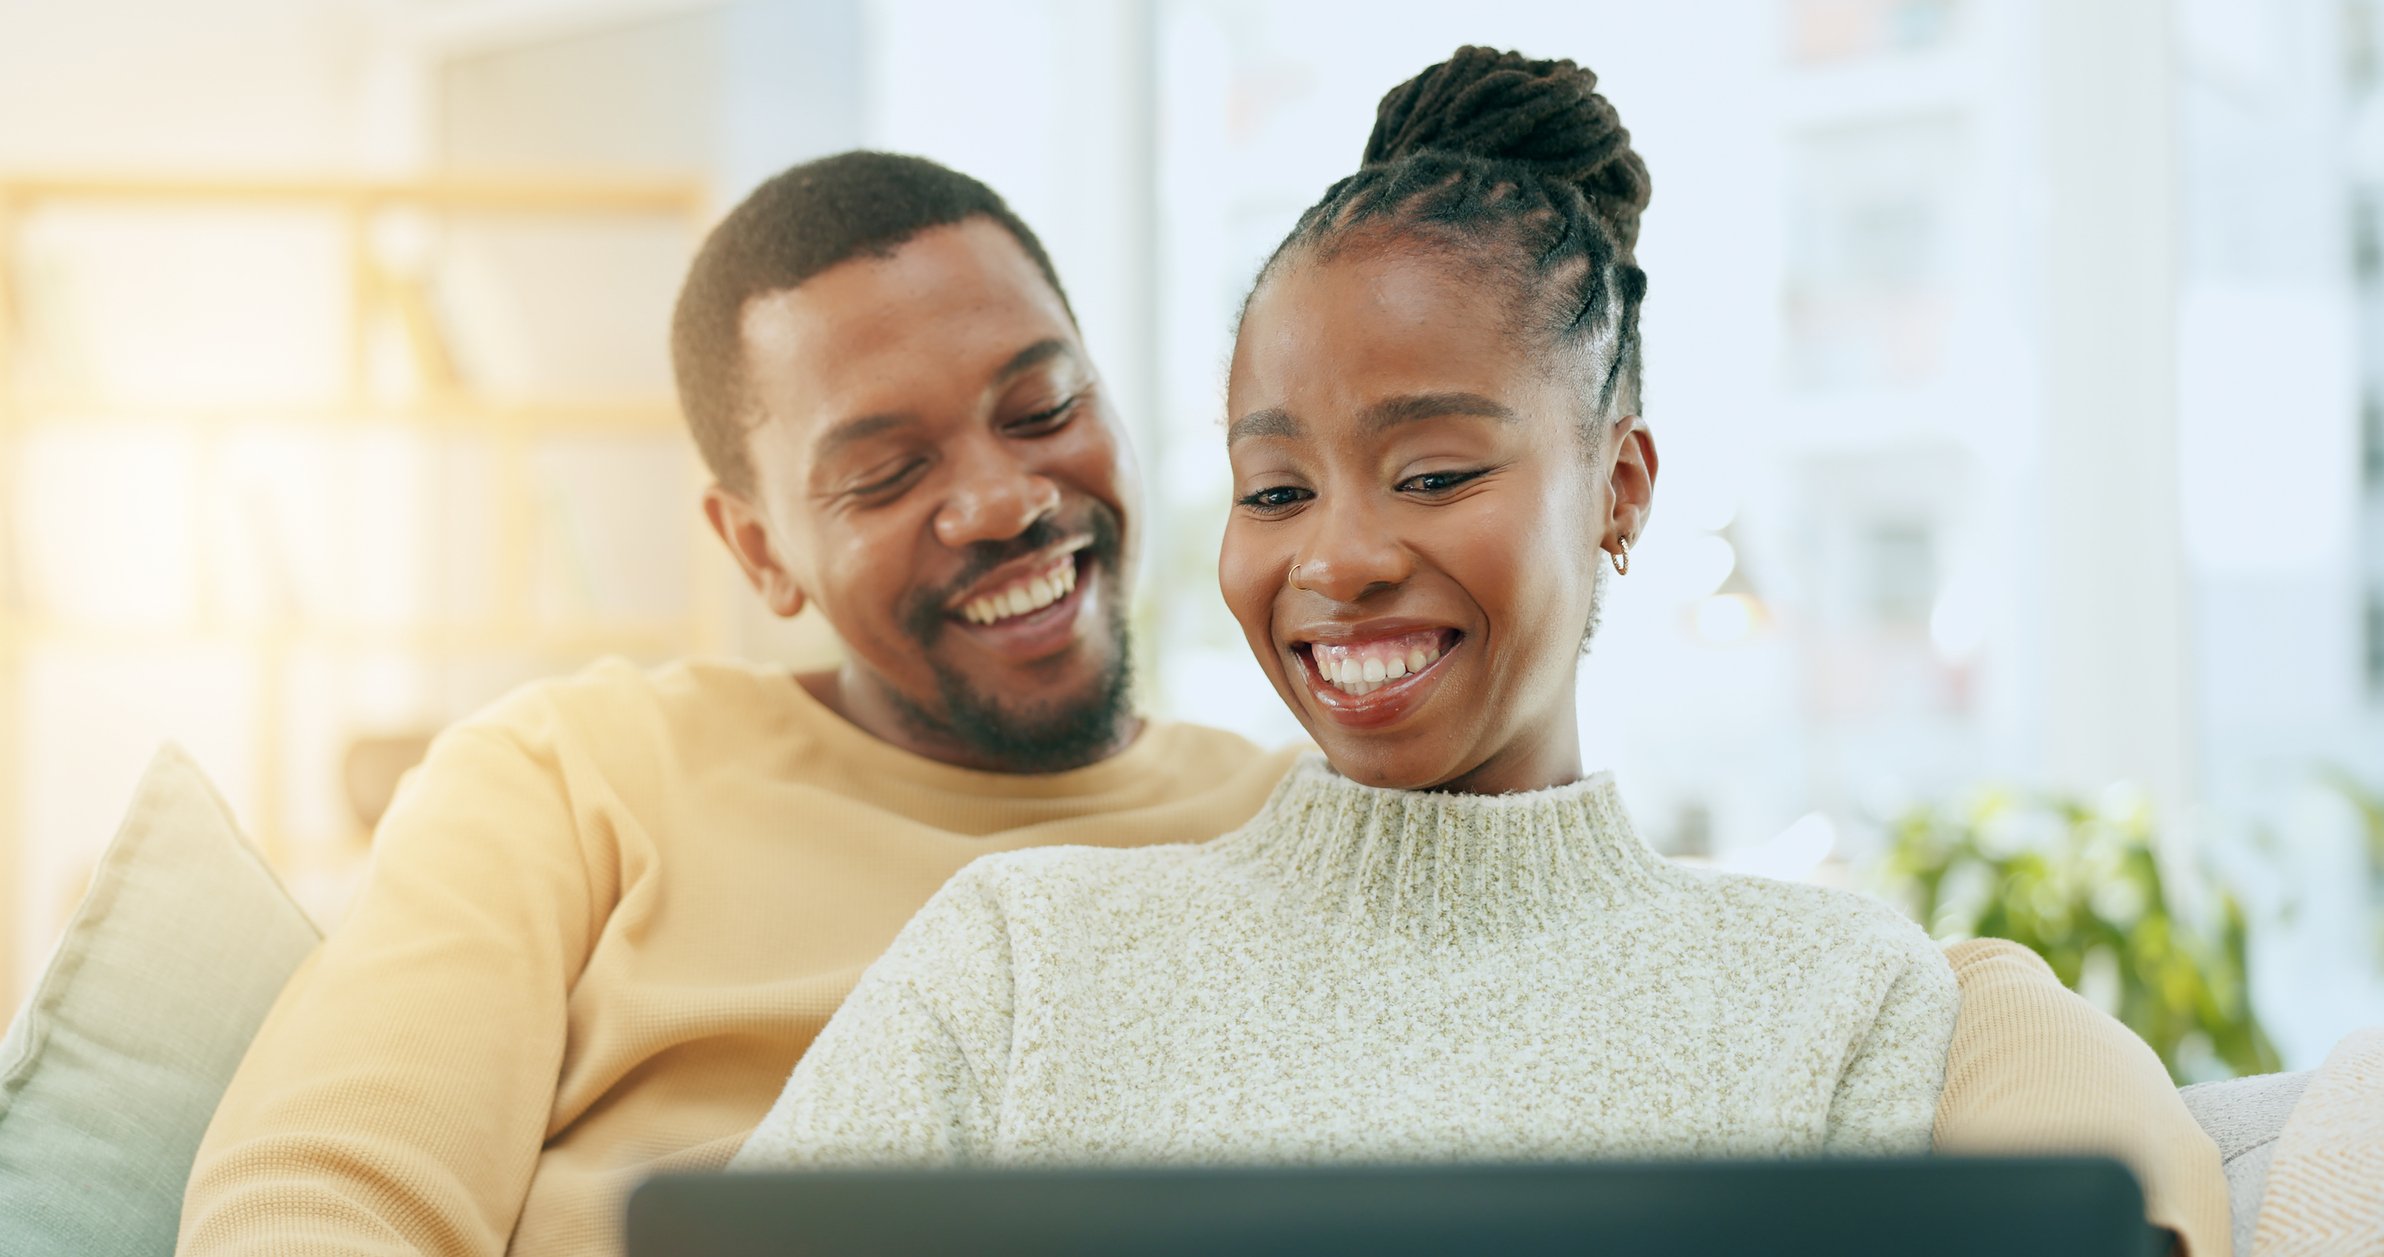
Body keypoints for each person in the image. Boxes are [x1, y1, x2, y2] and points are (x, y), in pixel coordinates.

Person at [180, 145, 2225, 1254]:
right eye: (883, 471)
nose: (999, 497)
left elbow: (1824, 1006)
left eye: (1040, 406)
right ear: (754, 549)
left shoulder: (1278, 798)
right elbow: (320, 1197)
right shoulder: (590, 777)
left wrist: (2038, 1071)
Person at [730, 51, 2230, 1255]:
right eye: (1275, 489)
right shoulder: (1019, 955)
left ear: (1621, 488)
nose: (1339, 556)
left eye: (1435, 473)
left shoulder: (1839, 998)